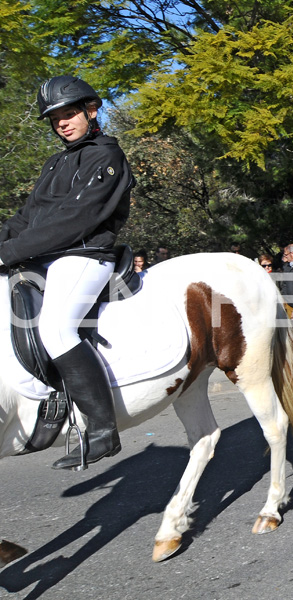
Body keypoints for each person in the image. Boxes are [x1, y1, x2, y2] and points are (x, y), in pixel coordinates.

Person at [0, 75, 135, 469]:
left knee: (57, 329)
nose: (62, 122)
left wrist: (8, 252)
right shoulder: (55, 162)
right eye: (55, 117)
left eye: (69, 113)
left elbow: (75, 220)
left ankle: (102, 430)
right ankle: (48, 400)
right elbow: (28, 217)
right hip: (45, 255)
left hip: (84, 253)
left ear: (91, 111)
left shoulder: (106, 156)